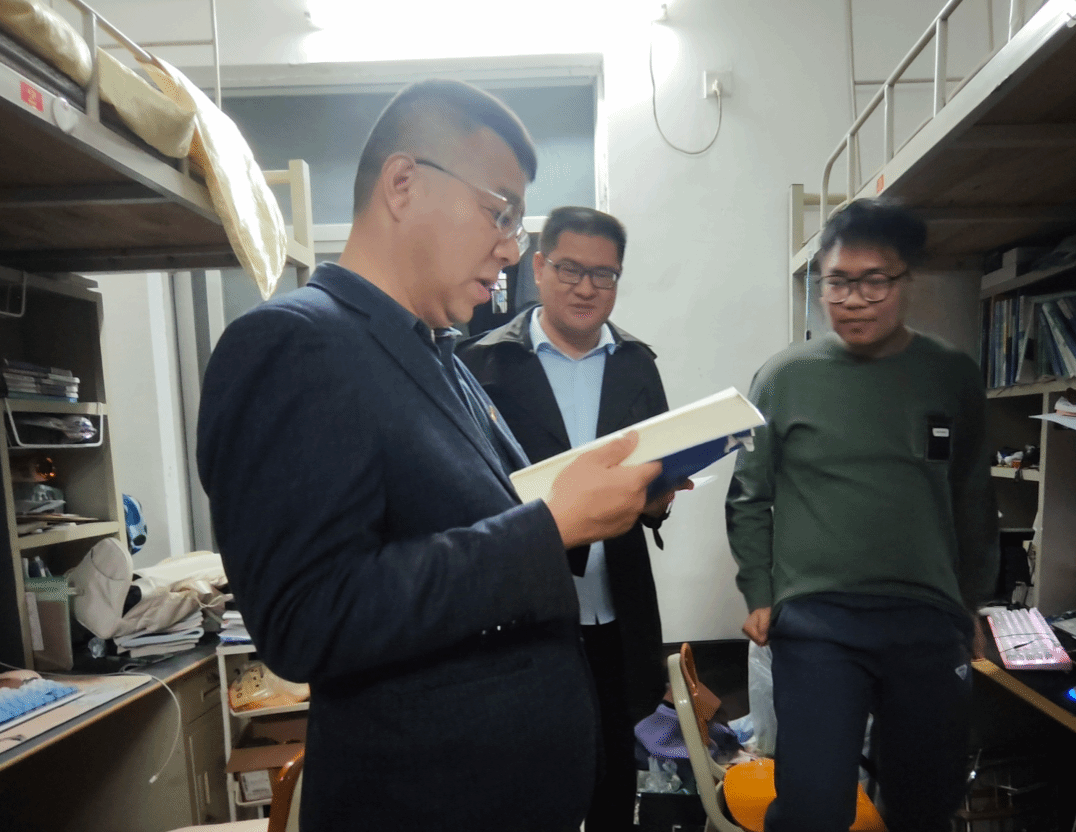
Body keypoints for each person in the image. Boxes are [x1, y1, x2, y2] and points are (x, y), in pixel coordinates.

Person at [197, 79, 661, 832]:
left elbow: (467, 523)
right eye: (500, 211)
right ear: (403, 183)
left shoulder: (439, 355)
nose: (512, 248)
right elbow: (307, 618)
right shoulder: (294, 344)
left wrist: (586, 498)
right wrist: (552, 526)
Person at [724, 198, 999, 832]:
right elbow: (749, 492)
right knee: (813, 806)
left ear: (906, 279)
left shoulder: (951, 375)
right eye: (837, 282)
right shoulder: (784, 377)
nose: (853, 300)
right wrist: (759, 593)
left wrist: (970, 603)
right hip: (817, 620)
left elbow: (972, 495)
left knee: (924, 803)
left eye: (874, 281)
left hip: (927, 617)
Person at [460, 206, 681, 831]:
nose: (587, 288)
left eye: (604, 275)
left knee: (614, 771)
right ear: (538, 267)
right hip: (523, 608)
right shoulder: (483, 367)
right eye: (570, 270)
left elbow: (653, 475)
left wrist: (659, 501)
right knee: (532, 773)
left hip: (617, 607)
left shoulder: (637, 364)